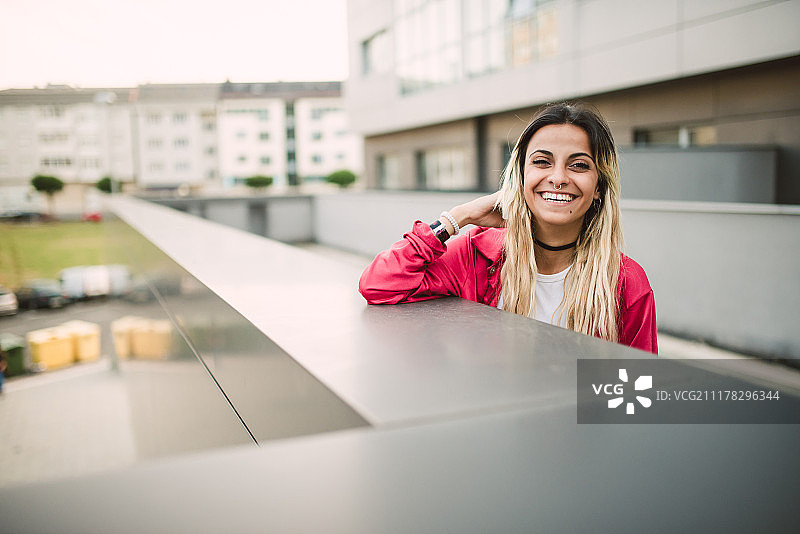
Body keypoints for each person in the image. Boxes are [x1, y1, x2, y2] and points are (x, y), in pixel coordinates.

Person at [359, 102, 657, 354]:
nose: (558, 177)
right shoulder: (478, 255)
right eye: (542, 162)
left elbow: (638, 391)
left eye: (578, 165)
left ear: (599, 188)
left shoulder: (625, 283)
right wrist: (458, 218)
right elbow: (379, 285)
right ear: (521, 175)